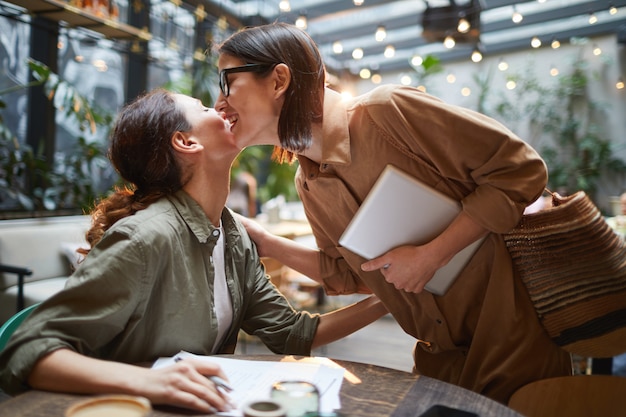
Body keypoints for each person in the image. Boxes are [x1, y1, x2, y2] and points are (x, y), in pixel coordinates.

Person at [213, 22, 573, 404]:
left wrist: (431, 255)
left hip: (515, 341)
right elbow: (353, 274)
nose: (219, 103)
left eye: (226, 82)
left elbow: (522, 171)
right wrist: (269, 243)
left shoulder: (387, 112)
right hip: (438, 357)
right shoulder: (308, 181)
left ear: (278, 80)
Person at [0, 88, 388, 413]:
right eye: (205, 108)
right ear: (186, 142)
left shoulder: (232, 233)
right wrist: (150, 381)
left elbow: (291, 333)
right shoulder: (146, 237)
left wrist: (394, 299)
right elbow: (27, 349)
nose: (220, 106)